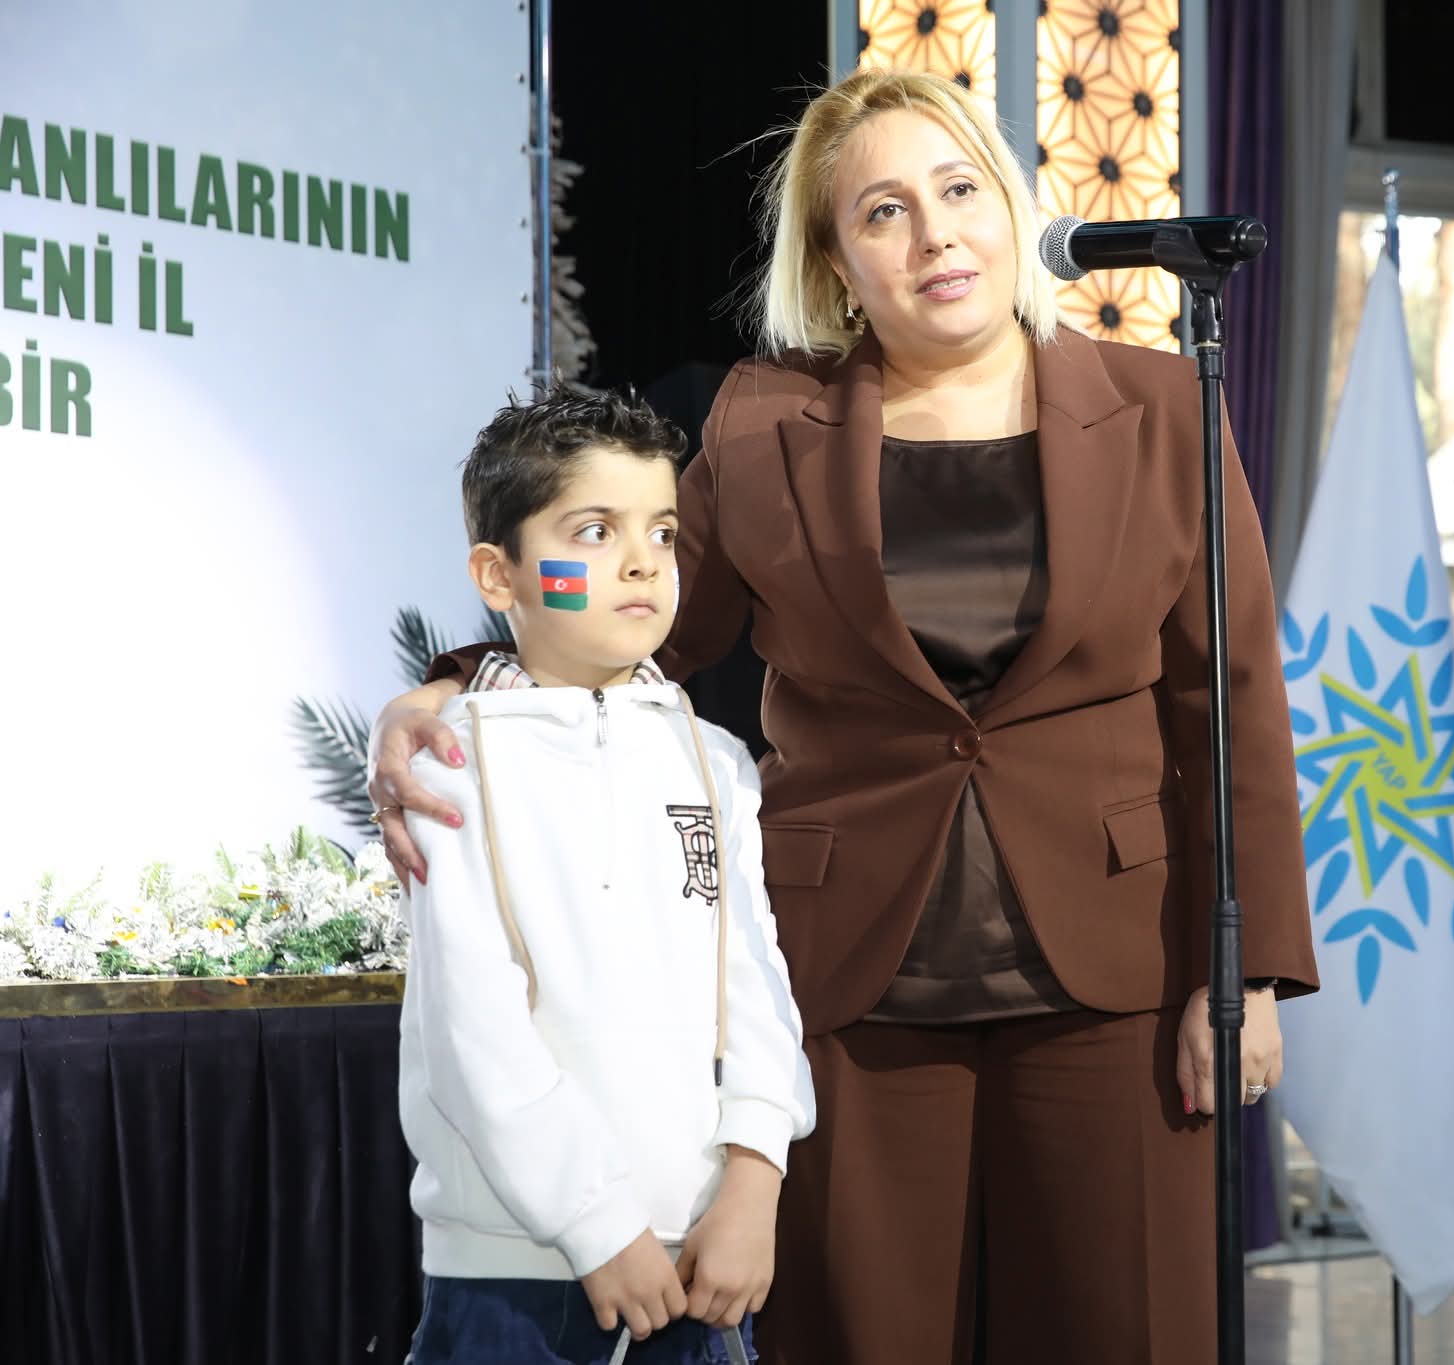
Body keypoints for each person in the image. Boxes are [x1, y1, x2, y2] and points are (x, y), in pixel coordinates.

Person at [372, 70, 1316, 1364]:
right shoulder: (765, 421)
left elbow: (1233, 696)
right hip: (852, 987)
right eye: (883, 211)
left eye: (959, 189)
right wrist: (454, 684)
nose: (934, 235)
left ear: (1009, 206)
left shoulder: (1161, 406)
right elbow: (641, 620)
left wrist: (1245, 969)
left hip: (1120, 975)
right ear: (835, 263)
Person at [393, 388, 814, 1364]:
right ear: (498, 574)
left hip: (703, 1259)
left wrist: (754, 1182)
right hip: (513, 1275)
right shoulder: (449, 761)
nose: (640, 561)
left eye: (661, 532)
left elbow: (757, 993)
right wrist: (596, 1225)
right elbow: (472, 1030)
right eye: (593, 531)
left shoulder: (716, 761)